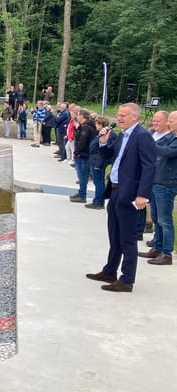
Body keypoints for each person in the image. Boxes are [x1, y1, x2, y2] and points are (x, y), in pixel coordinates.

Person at [86, 103, 156, 292]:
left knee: (127, 238)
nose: (119, 118)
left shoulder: (142, 136)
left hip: (130, 194)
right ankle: (110, 271)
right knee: (114, 235)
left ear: (135, 117)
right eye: (118, 114)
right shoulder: (123, 135)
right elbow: (110, 156)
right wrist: (103, 141)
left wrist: (142, 194)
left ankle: (127, 279)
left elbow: (149, 167)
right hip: (116, 190)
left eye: (123, 115)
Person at [137, 110, 177, 265]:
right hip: (155, 181)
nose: (170, 123)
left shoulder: (173, 139)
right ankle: (157, 247)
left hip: (166, 183)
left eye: (172, 121)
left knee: (164, 220)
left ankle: (167, 253)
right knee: (155, 217)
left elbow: (167, 152)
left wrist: (150, 144)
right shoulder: (166, 136)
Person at [85, 116, 116, 210]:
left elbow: (105, 150)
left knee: (99, 182)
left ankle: (98, 201)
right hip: (95, 159)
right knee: (98, 182)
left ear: (101, 124)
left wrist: (99, 162)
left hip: (98, 161)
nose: (95, 125)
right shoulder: (101, 133)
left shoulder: (108, 134)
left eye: (97, 124)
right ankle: (98, 200)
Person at [69, 109, 97, 203]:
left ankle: (82, 195)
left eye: (78, 115)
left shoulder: (85, 127)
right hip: (88, 154)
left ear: (82, 116)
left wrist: (77, 152)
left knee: (82, 175)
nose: (77, 117)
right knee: (83, 175)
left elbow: (82, 141)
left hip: (83, 154)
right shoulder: (91, 126)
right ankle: (81, 193)